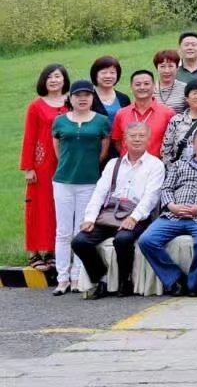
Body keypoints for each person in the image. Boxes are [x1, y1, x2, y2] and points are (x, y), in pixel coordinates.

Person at [138, 126, 197, 297]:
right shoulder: (179, 164)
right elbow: (166, 188)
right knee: (146, 240)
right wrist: (171, 206)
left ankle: (192, 283)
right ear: (193, 143)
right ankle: (175, 279)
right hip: (173, 215)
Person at [73, 122, 162, 300]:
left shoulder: (155, 165)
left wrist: (134, 217)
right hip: (110, 214)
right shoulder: (113, 164)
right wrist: (90, 218)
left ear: (148, 139)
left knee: (123, 239)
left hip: (137, 215)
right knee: (79, 242)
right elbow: (99, 192)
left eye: (141, 136)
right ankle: (101, 279)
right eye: (133, 136)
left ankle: (125, 280)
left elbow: (151, 197)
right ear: (125, 140)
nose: (137, 139)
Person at [49, 81, 113, 295]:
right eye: (78, 95)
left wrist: (88, 166)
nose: (82, 98)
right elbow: (58, 150)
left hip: (89, 182)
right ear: (71, 98)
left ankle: (77, 276)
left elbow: (103, 152)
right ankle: (62, 278)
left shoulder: (101, 121)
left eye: (87, 94)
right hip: (63, 181)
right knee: (63, 231)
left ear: (93, 97)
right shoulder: (59, 121)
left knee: (82, 230)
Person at [23, 64, 69, 272]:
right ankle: (33, 252)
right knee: (38, 207)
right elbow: (29, 138)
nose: (54, 80)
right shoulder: (36, 106)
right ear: (43, 80)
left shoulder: (71, 102)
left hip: (65, 163)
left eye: (57, 76)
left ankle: (52, 251)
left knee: (57, 207)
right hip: (42, 164)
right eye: (49, 77)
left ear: (64, 79)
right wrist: (28, 167)